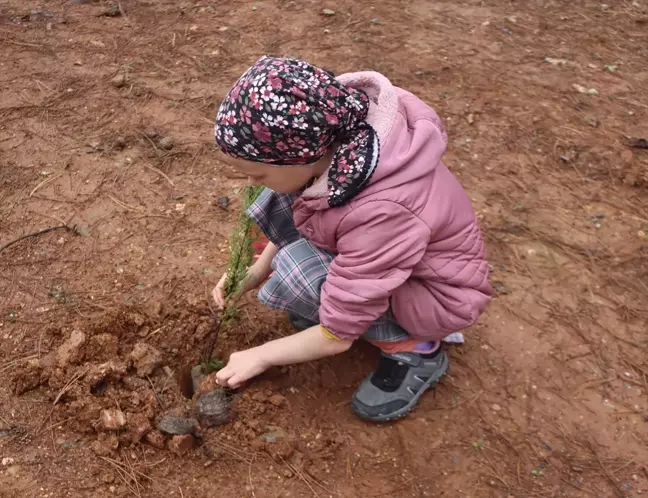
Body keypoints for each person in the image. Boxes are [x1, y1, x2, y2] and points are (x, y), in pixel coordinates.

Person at [211, 56, 491, 422]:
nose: (250, 183)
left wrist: (260, 355)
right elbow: (303, 209)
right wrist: (257, 269)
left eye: (258, 173)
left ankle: (417, 351)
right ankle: (359, 318)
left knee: (299, 274)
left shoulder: (382, 211)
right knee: (281, 202)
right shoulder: (337, 143)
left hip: (437, 297)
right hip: (390, 262)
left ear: (302, 156)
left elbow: (337, 335)